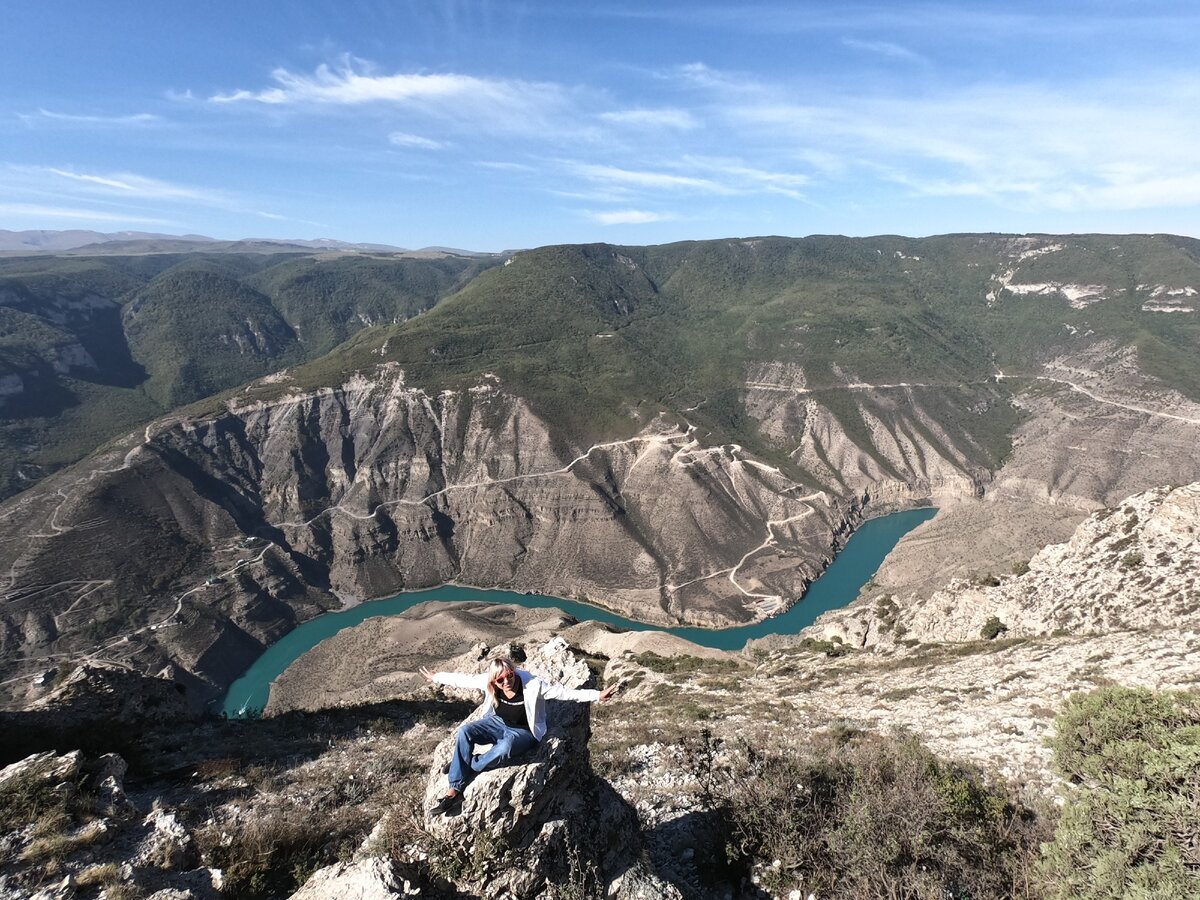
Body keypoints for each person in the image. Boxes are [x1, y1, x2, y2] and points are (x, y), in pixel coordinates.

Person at [419, 655, 618, 816]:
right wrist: (437, 677)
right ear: (494, 681)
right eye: (500, 679)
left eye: (510, 675)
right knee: (465, 731)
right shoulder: (489, 682)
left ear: (514, 672)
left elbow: (564, 693)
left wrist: (597, 695)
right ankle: (454, 791)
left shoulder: (532, 685)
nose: (507, 681)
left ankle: (468, 763)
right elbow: (464, 680)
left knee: (505, 747)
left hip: (523, 732)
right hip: (497, 723)